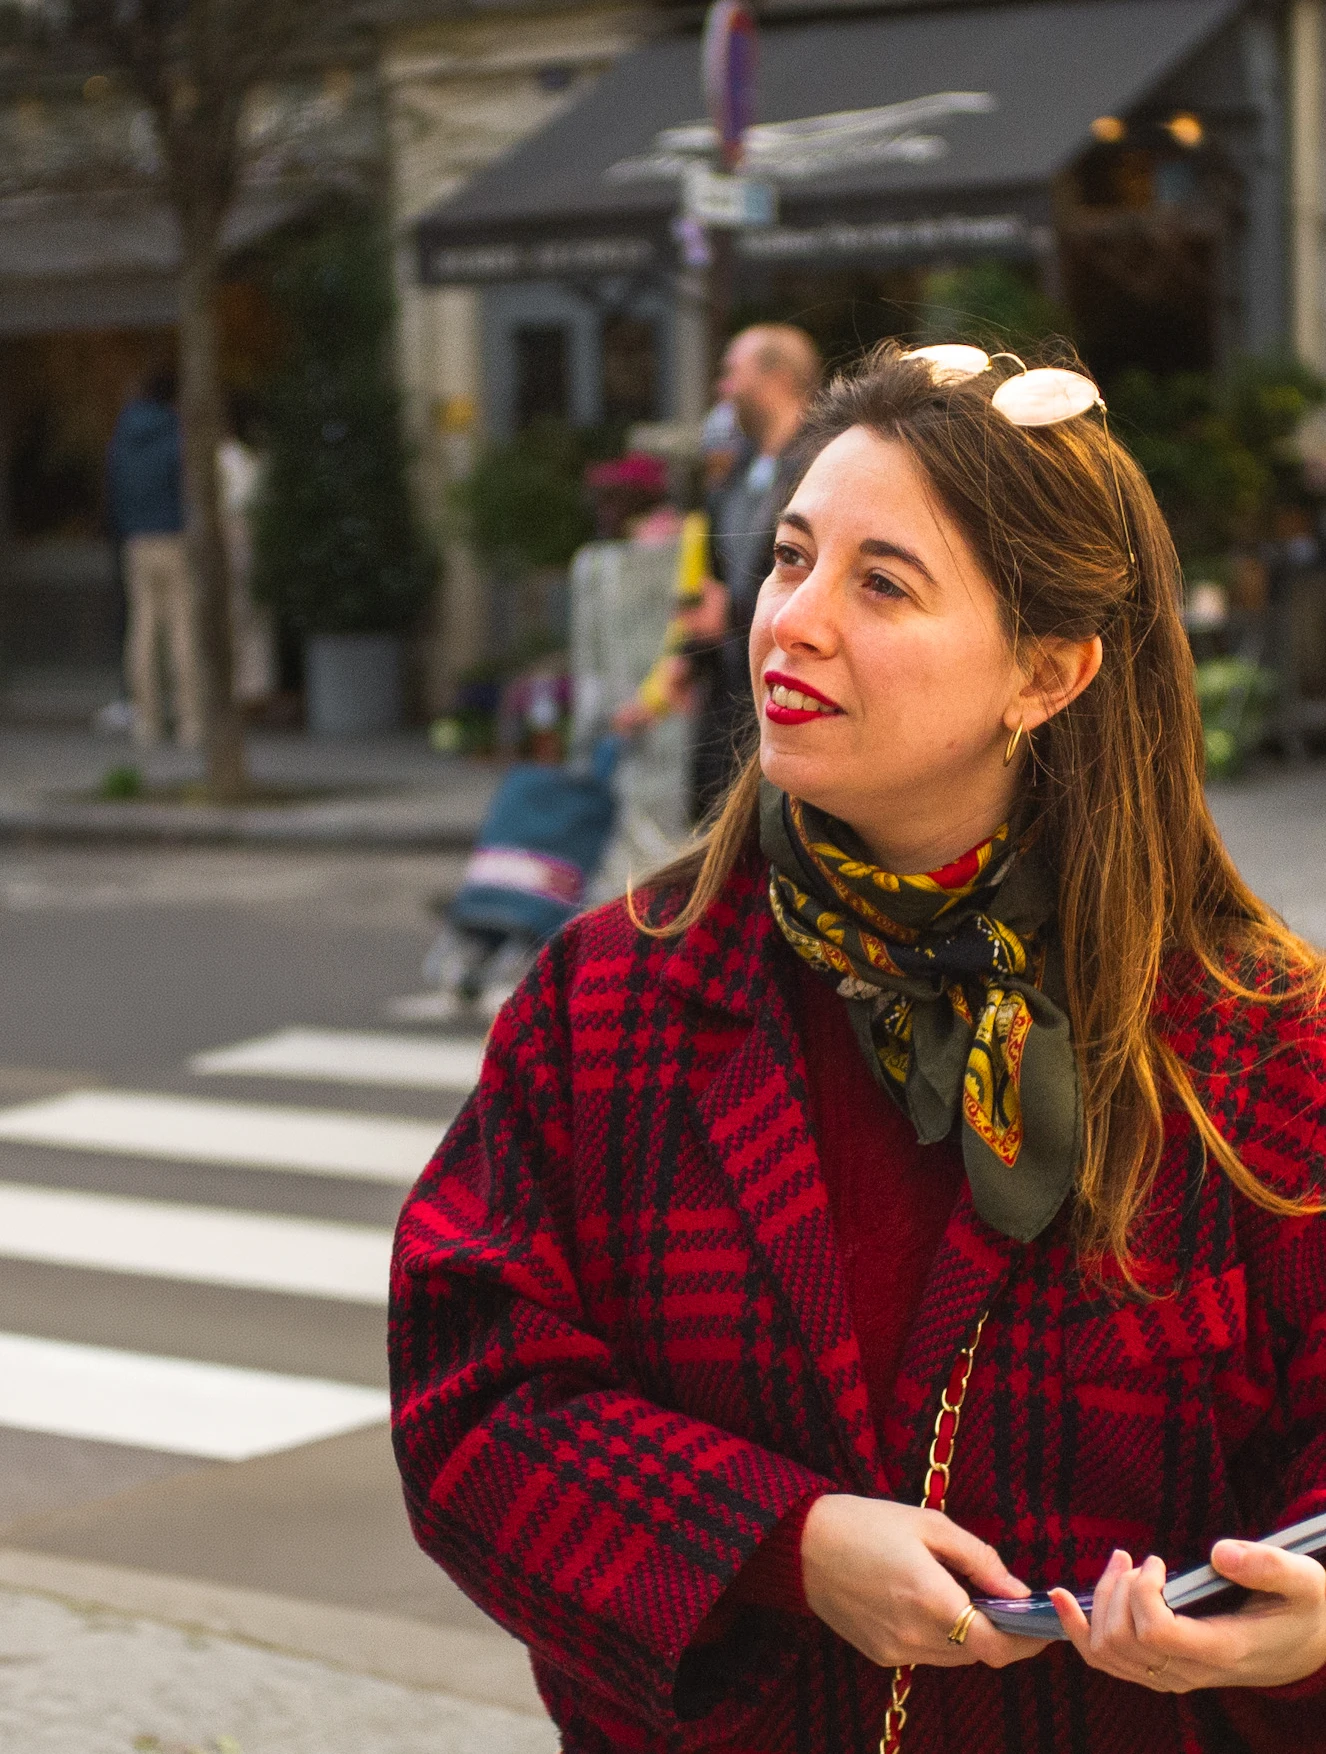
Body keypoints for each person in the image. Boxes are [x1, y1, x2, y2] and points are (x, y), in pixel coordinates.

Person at [389, 342, 1326, 1754]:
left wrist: (1304, 1621)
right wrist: (783, 1539)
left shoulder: (1257, 1045)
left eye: (880, 583)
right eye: (788, 558)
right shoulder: (610, 1005)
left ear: (1048, 671)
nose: (790, 623)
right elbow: (472, 1402)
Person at [686, 324, 821, 815]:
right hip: (728, 699)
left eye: (731, 373)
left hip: (784, 698)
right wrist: (694, 653)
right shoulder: (740, 470)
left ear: (777, 378)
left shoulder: (819, 466)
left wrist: (731, 615)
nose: (723, 388)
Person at [106, 367, 202, 748]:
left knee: (142, 630)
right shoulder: (176, 435)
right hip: (174, 537)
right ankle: (189, 721)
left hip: (136, 540)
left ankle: (146, 722)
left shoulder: (122, 436)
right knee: (181, 631)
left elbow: (113, 490)